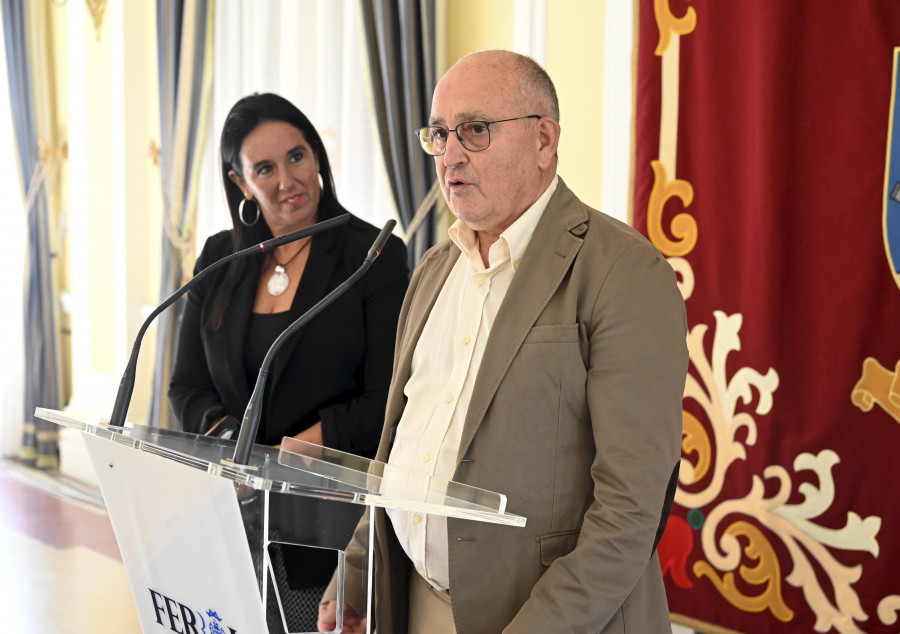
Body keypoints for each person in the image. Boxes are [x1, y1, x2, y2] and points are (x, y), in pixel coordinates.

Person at [318, 50, 688, 633]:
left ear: (544, 140)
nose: (450, 155)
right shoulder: (434, 269)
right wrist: (358, 568)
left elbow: (630, 514)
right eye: (438, 135)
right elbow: (406, 448)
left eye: (474, 130)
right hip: (415, 602)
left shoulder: (623, 272)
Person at [168, 92, 409, 632]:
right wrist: (237, 448)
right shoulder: (219, 258)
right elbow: (186, 386)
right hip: (228, 519)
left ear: (317, 155)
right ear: (240, 183)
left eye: (296, 156)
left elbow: (387, 400)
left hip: (328, 530)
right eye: (265, 168)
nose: (286, 180)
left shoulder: (374, 256)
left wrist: (290, 454)